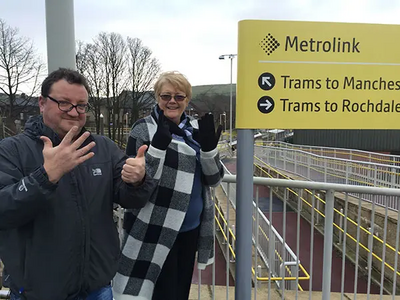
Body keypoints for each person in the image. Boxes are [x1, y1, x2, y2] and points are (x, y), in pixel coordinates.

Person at [0, 68, 156, 300]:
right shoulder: (12, 150)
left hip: (97, 287)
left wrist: (137, 180)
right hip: (38, 292)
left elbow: (133, 198)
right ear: (42, 103)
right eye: (64, 103)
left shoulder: (102, 147)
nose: (74, 112)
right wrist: (45, 176)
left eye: (81, 105)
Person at [113, 71, 224, 300]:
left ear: (187, 99)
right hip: (156, 227)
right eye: (165, 96)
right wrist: (157, 149)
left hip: (191, 227)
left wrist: (209, 150)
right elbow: (138, 182)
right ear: (157, 97)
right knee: (157, 292)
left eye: (179, 96)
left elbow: (213, 180)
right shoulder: (143, 129)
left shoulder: (195, 129)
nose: (172, 101)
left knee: (180, 289)